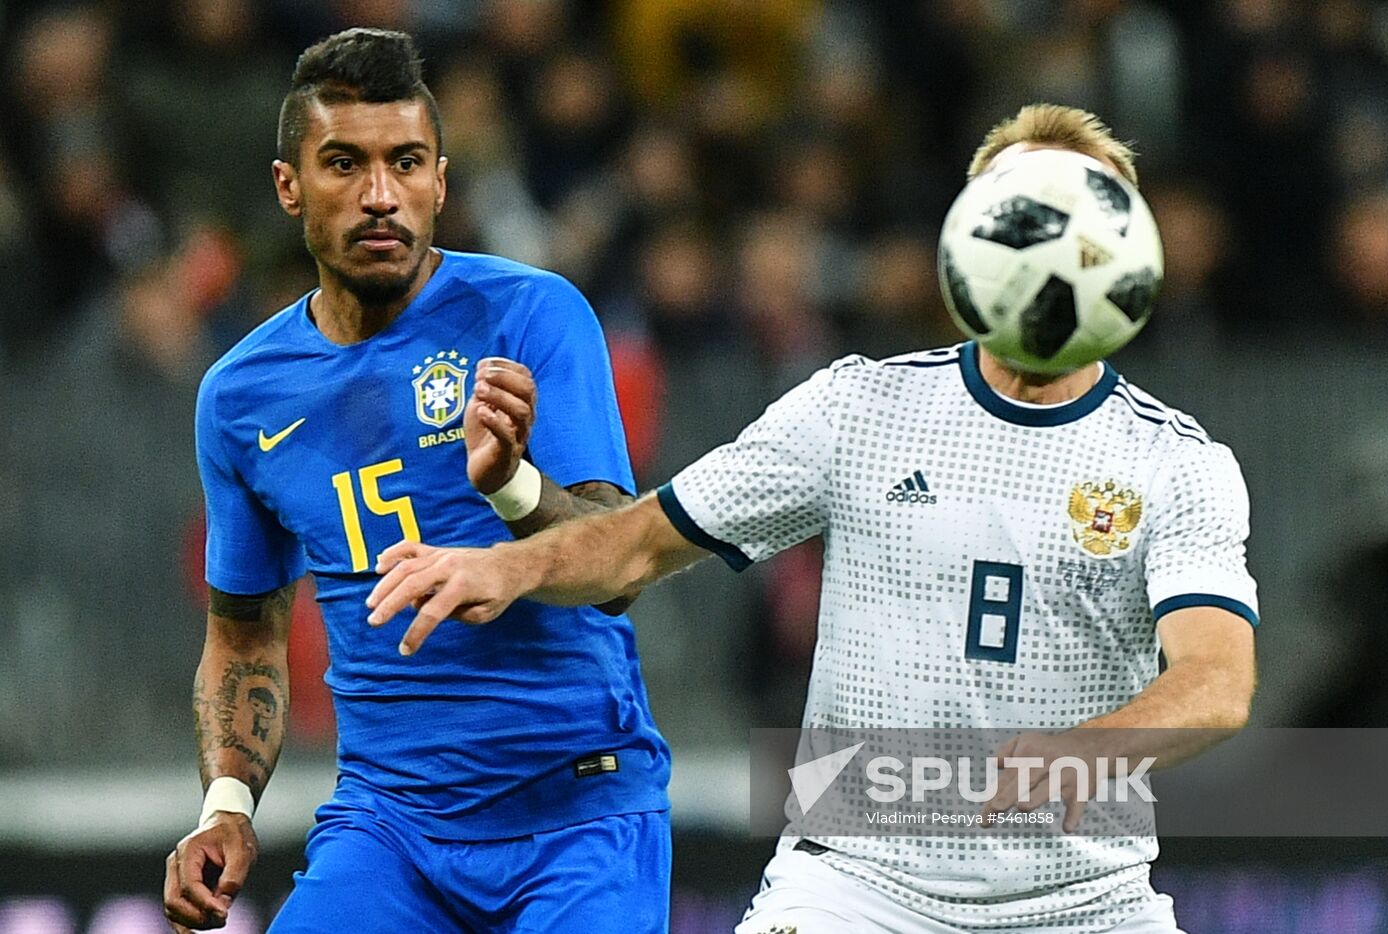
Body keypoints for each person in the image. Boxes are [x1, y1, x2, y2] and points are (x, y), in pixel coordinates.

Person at [367, 105, 1259, 933]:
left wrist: (1082, 753)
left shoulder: (1176, 463)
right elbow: (635, 546)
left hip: (1085, 901)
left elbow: (1217, 679)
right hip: (853, 884)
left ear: (1122, 250)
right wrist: (511, 544)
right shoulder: (858, 409)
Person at [161, 29, 670, 934]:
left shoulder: (531, 314)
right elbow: (243, 634)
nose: (380, 194)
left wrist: (513, 487)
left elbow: (620, 566)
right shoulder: (241, 396)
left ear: (439, 180)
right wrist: (226, 806)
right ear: (288, 186)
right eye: (344, 164)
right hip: (390, 827)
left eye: (405, 162)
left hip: (575, 814)